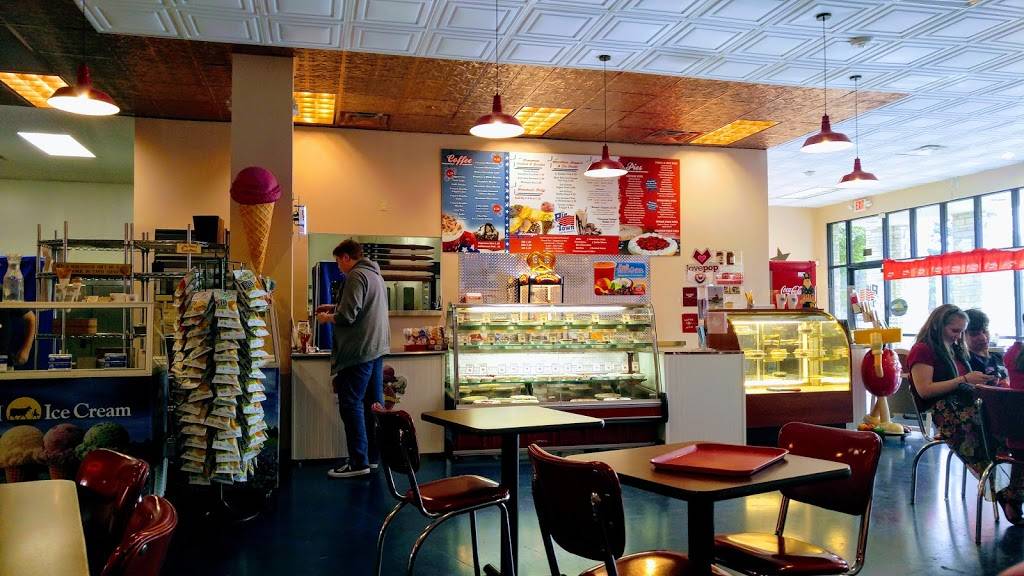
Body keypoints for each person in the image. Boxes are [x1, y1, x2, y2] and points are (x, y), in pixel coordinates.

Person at [908, 304, 1023, 525]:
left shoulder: (954, 348)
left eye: (961, 331)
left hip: (967, 408)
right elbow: (924, 390)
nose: (959, 336)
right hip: (949, 415)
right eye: (955, 331)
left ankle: (1013, 493)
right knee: (1010, 431)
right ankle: (1012, 495)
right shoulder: (923, 350)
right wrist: (964, 380)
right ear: (938, 326)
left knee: (1015, 431)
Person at [316, 240, 389, 478]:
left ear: (347, 257)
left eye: (339, 261)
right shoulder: (375, 275)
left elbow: (348, 315)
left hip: (358, 351)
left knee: (351, 404)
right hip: (376, 349)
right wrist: (334, 306)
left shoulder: (356, 276)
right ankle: (373, 457)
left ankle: (358, 462)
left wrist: (327, 318)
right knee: (373, 405)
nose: (338, 266)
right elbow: (361, 307)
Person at [964, 308, 1007, 383]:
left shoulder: (997, 357)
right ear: (962, 336)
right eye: (975, 334)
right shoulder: (965, 362)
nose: (983, 338)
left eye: (985, 331)